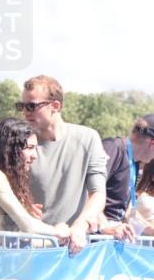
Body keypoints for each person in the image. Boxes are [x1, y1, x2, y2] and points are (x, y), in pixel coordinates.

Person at [20, 75, 107, 255]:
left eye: (32, 106)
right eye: (21, 106)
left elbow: (98, 193)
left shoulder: (88, 138)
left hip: (73, 249)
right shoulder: (20, 143)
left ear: (55, 106)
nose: (25, 112)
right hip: (32, 249)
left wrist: (80, 225)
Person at [0, 118, 71, 244]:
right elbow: (28, 226)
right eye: (30, 148)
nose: (35, 156)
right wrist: (56, 231)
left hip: (8, 258)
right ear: (11, 149)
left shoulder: (6, 180)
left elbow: (22, 233)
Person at [101, 114, 154, 224]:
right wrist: (105, 227)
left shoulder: (135, 163)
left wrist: (152, 228)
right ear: (153, 143)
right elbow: (87, 192)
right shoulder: (113, 148)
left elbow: (127, 210)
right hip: (94, 234)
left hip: (111, 233)